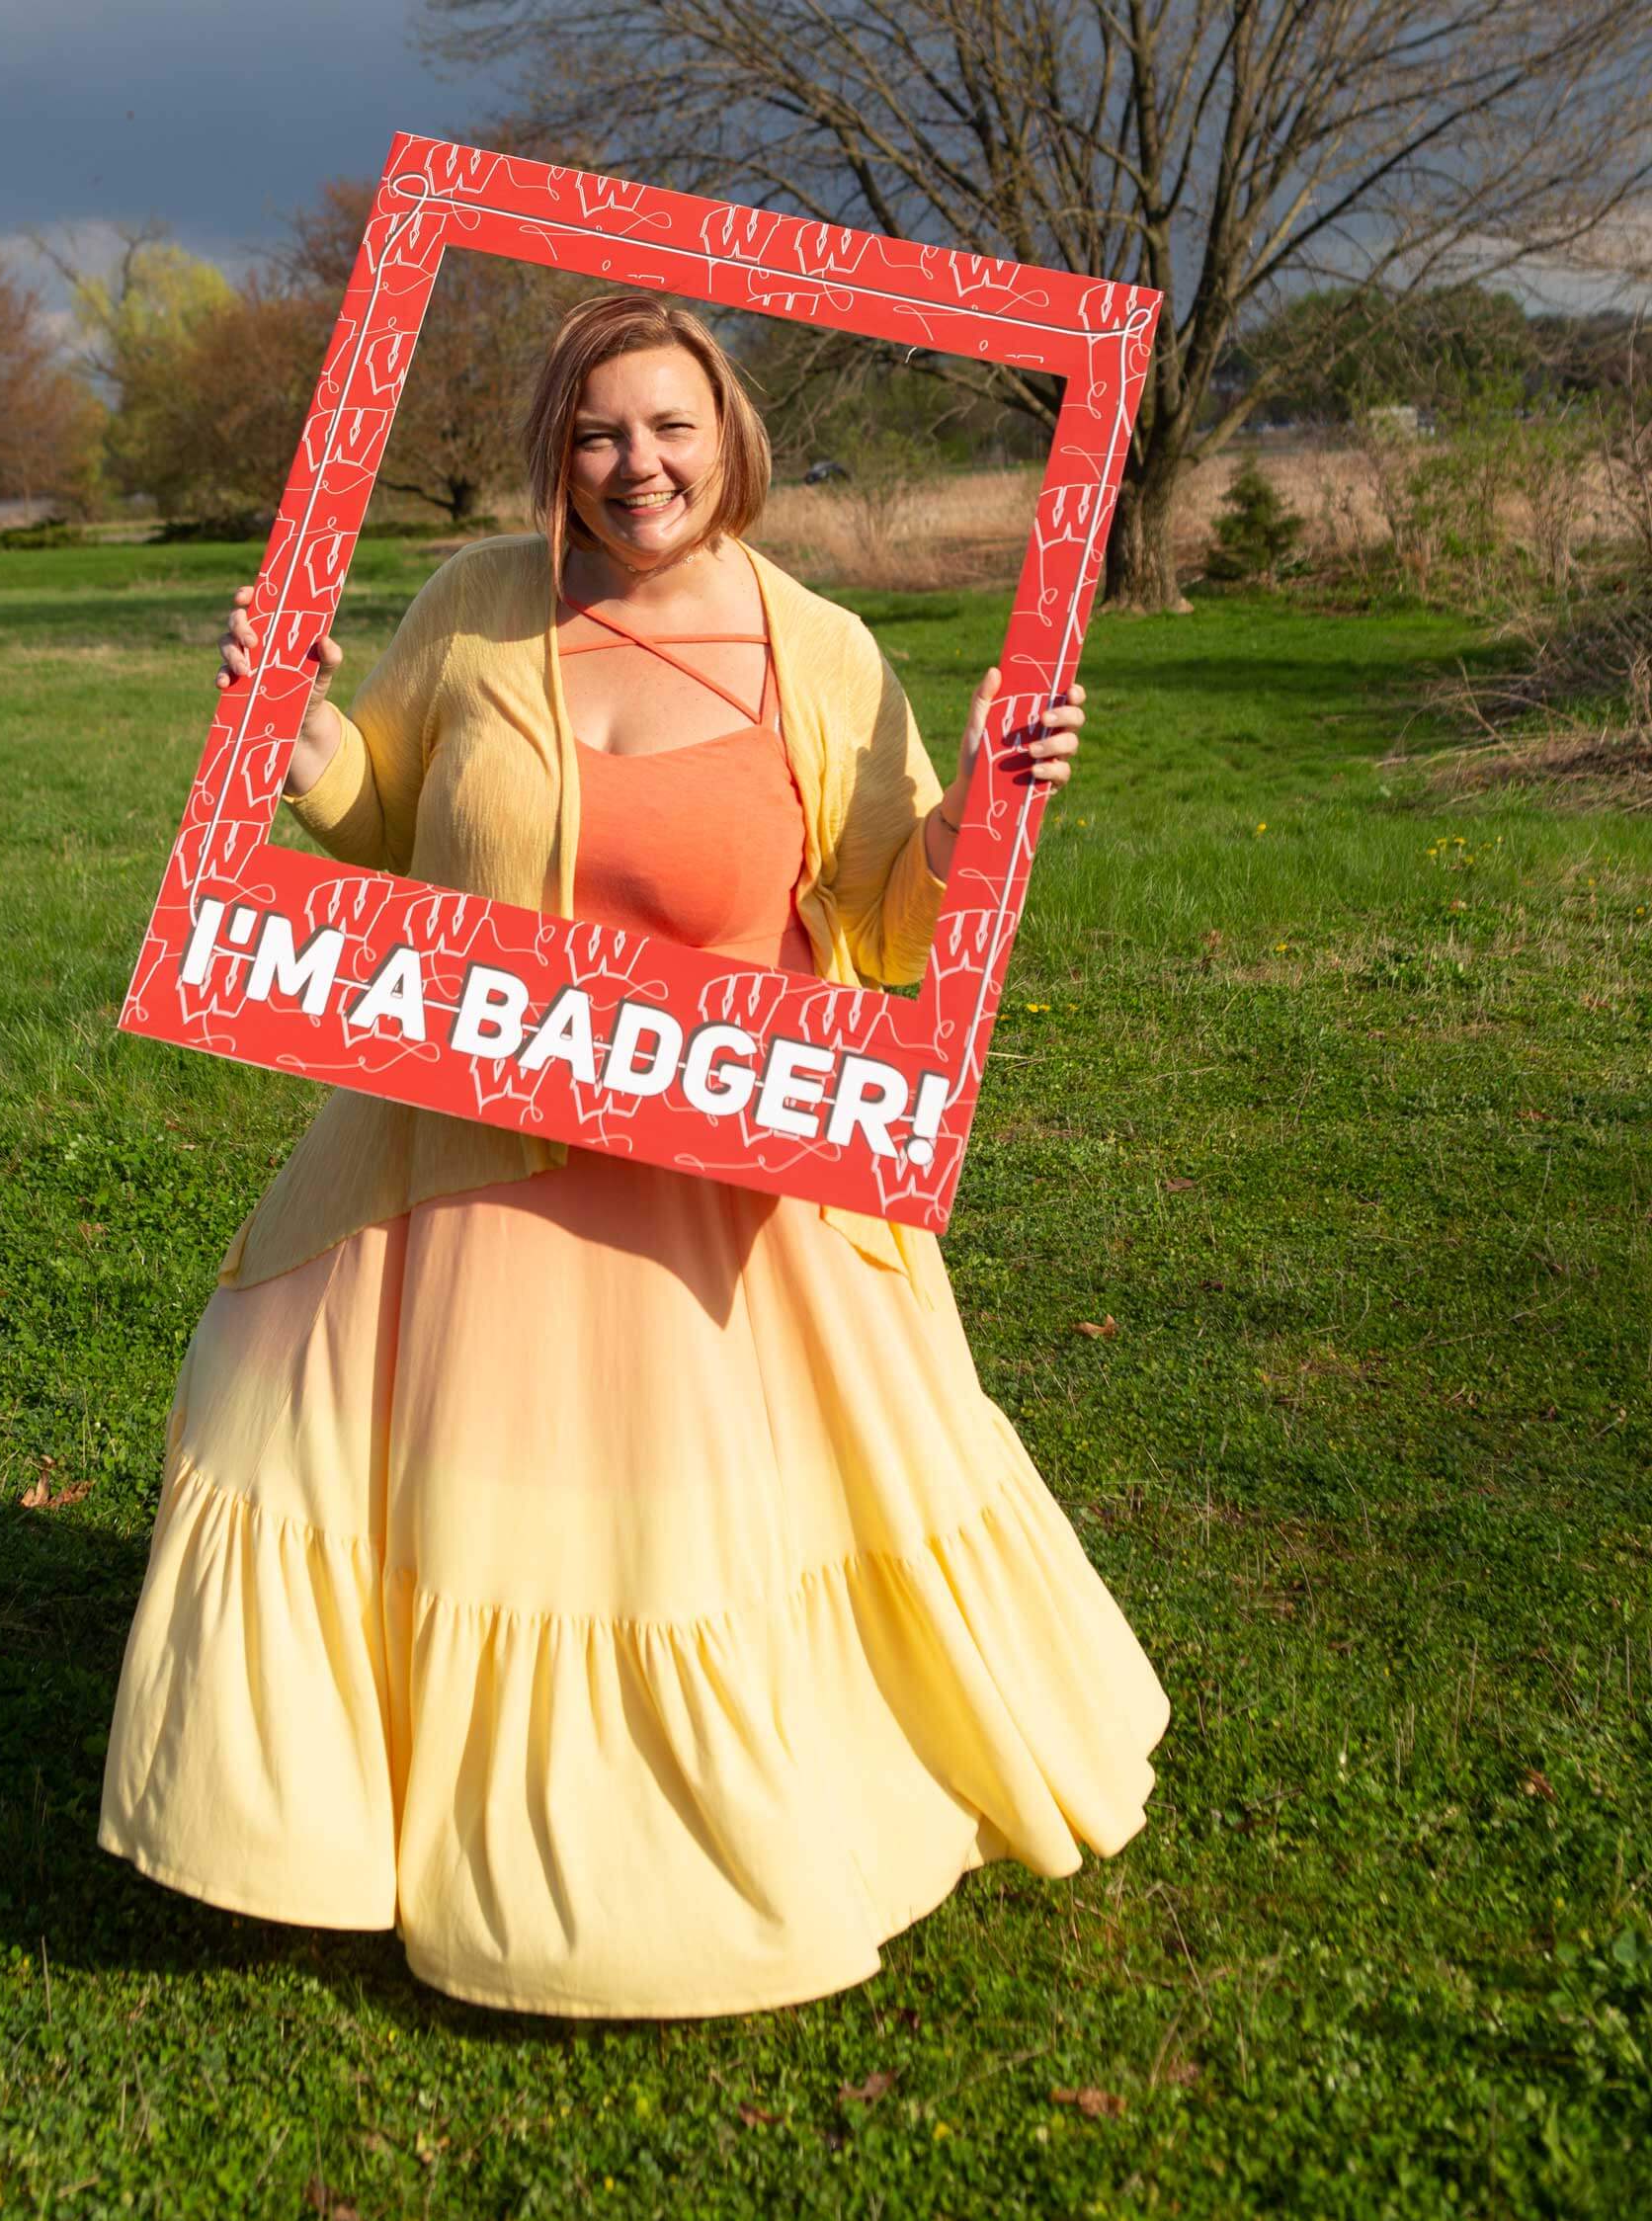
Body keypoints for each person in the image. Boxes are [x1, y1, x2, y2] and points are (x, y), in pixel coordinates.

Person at [98, 293, 1168, 2020]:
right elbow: (377, 813)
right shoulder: (475, 607)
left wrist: (979, 810)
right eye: (598, 432)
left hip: (722, 1183)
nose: (634, 466)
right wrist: (285, 728)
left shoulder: (818, 650)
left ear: (728, 437)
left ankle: (700, 1854)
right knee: (381, 1470)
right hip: (465, 1140)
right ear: (557, 449)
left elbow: (889, 921)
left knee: (677, 1534)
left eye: (668, 427)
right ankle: (393, 1818)